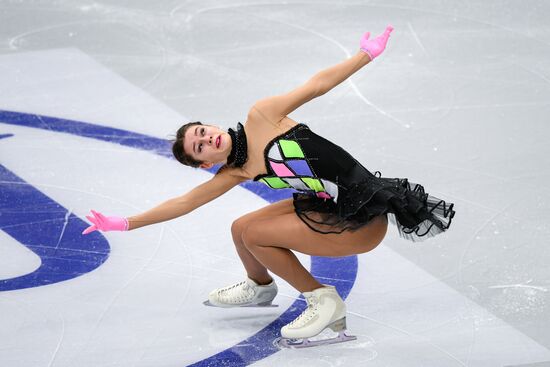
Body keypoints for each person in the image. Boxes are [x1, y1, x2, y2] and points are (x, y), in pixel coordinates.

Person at [82, 25, 456, 348]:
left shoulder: (262, 115)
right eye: (199, 148)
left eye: (202, 132)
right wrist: (125, 223)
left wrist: (365, 55)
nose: (206, 139)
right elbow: (185, 203)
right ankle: (260, 287)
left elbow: (316, 86)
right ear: (205, 164)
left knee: (257, 234)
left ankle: (322, 300)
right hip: (327, 208)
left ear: (210, 126)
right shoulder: (235, 171)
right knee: (240, 228)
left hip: (361, 219)